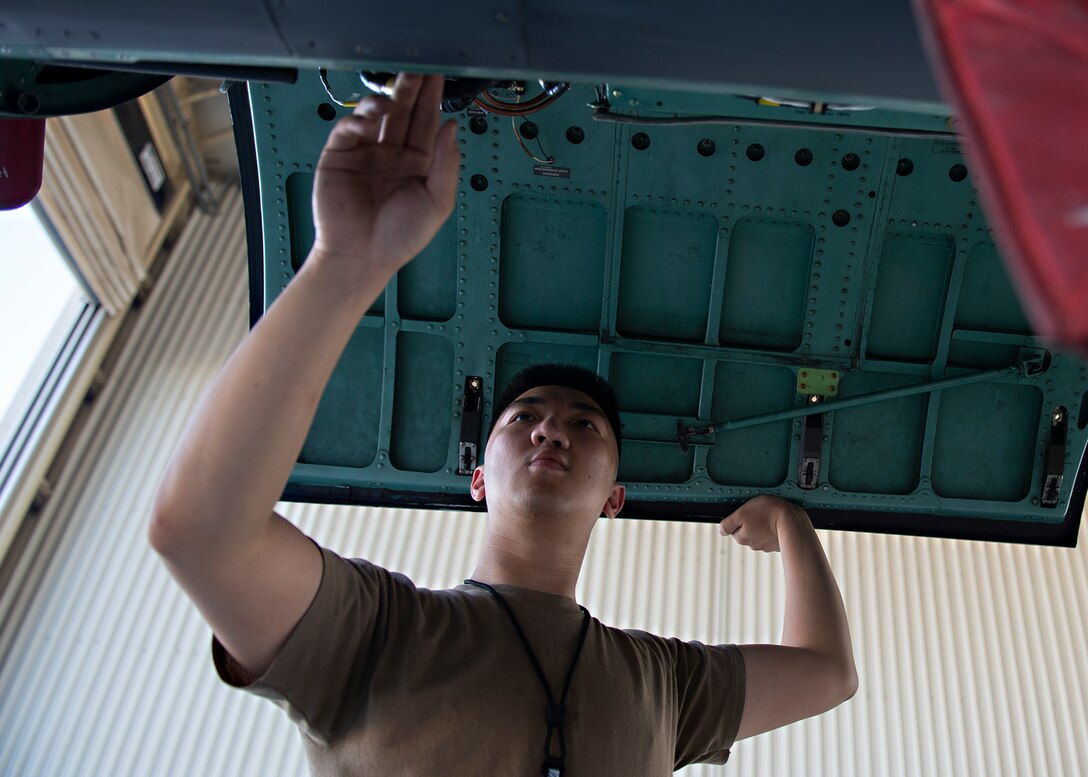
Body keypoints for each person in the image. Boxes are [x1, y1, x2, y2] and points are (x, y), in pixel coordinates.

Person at [149, 73, 857, 775]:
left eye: (586, 426)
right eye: (524, 417)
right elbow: (202, 532)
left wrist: (791, 522)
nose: (552, 430)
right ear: (478, 478)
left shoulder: (664, 681)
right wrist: (343, 263)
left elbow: (827, 673)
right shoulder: (376, 631)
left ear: (615, 496)